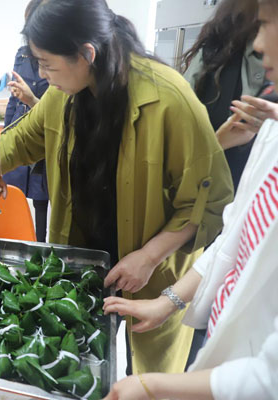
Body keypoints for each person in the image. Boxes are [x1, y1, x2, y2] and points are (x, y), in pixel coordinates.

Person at [0, 0, 234, 375]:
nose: (41, 74)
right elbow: (18, 141)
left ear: (86, 54)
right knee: (78, 360)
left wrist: (148, 257)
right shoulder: (63, 92)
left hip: (154, 265)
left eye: (47, 64)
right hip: (86, 255)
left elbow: (208, 203)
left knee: (149, 376)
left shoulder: (169, 99)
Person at [102, 2, 278, 398]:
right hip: (226, 337)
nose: (258, 44)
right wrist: (167, 302)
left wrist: (153, 386)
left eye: (267, 25)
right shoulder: (270, 133)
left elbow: (269, 377)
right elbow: (232, 240)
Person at [182, 0, 278, 189]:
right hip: (216, 187)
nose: (258, 45)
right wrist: (217, 144)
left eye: (265, 24)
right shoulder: (213, 57)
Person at [2, 0, 49, 242]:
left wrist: (31, 98)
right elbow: (13, 97)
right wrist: (5, 132)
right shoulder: (21, 54)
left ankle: (40, 243)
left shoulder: (56, 55)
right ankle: (16, 240)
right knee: (14, 193)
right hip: (20, 125)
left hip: (43, 132)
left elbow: (55, 108)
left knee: (41, 197)